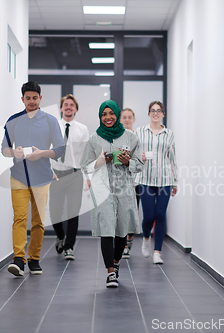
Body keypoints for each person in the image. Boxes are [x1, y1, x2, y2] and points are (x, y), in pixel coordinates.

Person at [1, 81, 65, 276]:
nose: (31, 101)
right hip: (19, 176)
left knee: (38, 221)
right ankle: (18, 259)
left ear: (40, 98)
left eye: (34, 98)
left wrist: (42, 153)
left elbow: (60, 149)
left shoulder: (50, 121)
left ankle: (34, 259)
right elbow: (4, 150)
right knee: (19, 217)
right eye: (27, 98)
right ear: (22, 99)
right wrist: (15, 152)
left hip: (42, 177)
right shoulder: (12, 121)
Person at [80, 100, 143, 288]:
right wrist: (100, 161)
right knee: (107, 229)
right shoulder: (93, 139)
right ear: (100, 117)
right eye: (104, 114)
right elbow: (85, 165)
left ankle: (116, 264)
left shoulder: (131, 137)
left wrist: (127, 162)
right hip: (102, 190)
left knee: (122, 230)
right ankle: (110, 273)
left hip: (124, 189)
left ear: (117, 115)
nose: (108, 117)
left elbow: (140, 164)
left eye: (111, 114)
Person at [134, 101, 178, 264]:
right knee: (148, 216)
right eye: (152, 110)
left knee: (160, 215)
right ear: (149, 113)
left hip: (165, 179)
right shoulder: (139, 132)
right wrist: (141, 156)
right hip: (145, 178)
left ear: (163, 114)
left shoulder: (169, 134)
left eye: (159, 111)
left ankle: (157, 252)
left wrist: (175, 182)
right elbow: (132, 154)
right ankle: (146, 237)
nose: (155, 113)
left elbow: (173, 159)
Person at [50, 94, 89, 260]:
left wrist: (88, 177)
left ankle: (69, 247)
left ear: (76, 109)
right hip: (56, 174)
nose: (68, 107)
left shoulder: (82, 129)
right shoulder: (52, 127)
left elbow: (86, 156)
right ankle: (60, 236)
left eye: (71, 105)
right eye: (65, 105)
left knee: (73, 212)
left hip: (75, 174)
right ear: (61, 108)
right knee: (55, 212)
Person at [119, 108, 139, 259]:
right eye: (124, 117)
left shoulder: (138, 137)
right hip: (119, 183)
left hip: (136, 181)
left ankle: (129, 238)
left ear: (133, 119)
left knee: (132, 212)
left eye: (129, 117)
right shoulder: (117, 137)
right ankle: (123, 244)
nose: (126, 120)